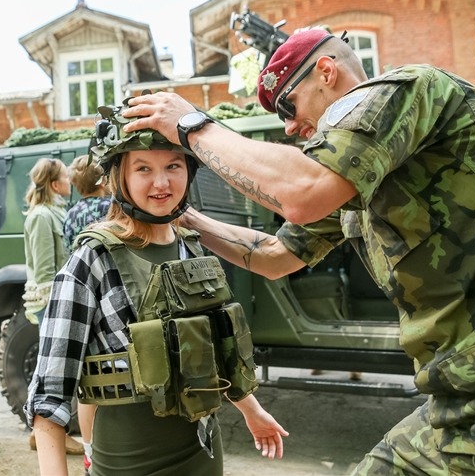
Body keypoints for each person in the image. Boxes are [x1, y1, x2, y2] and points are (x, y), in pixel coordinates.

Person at [121, 28, 475, 475]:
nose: (290, 128)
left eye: (288, 106)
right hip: (469, 388)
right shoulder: (354, 177)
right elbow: (277, 255)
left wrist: (192, 125)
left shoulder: (410, 88)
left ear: (327, 71)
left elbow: (303, 191)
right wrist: (189, 219)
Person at [24, 102, 288, 476]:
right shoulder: (91, 261)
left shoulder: (192, 247)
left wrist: (252, 410)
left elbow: (215, 351)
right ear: (120, 177)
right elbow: (49, 402)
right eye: (143, 168)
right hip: (129, 466)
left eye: (173, 166)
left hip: (203, 457)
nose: (161, 183)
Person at [21, 157, 84, 456]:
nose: (69, 181)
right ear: (53, 183)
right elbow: (45, 270)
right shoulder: (41, 217)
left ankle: (48, 433)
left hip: (62, 299)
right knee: (51, 374)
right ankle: (46, 432)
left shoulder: (57, 213)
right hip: (51, 302)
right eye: (64, 177)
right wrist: (53, 311)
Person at [62, 154, 112, 475]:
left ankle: (90, 449)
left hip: (81, 295)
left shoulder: (70, 214)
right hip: (109, 292)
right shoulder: (111, 207)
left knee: (87, 384)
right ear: (103, 181)